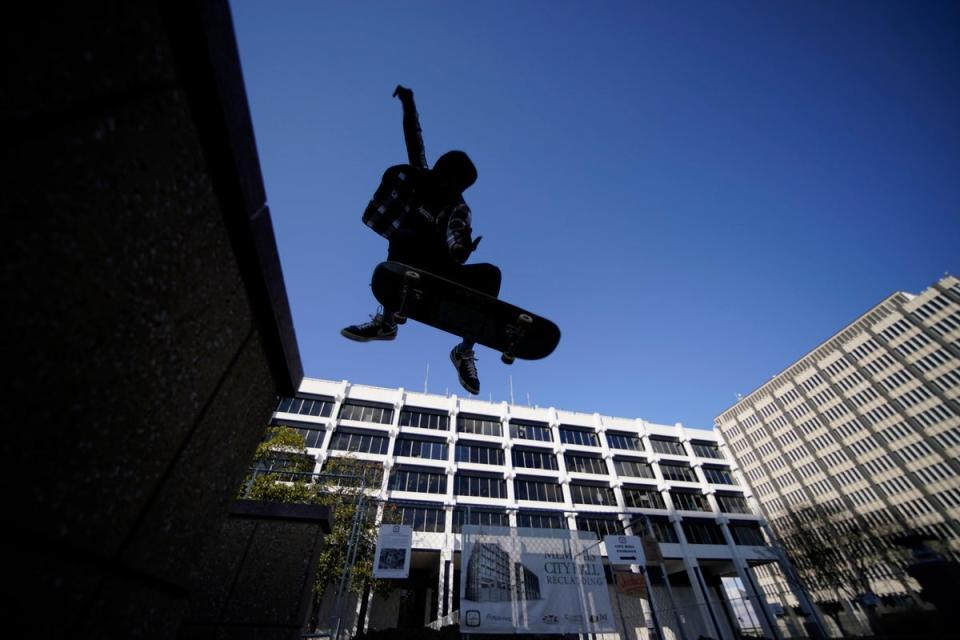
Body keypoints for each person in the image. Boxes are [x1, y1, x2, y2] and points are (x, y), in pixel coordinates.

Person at [341, 85, 501, 395]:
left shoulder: (458, 206)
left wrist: (460, 248)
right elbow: (413, 138)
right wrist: (409, 104)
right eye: (447, 182)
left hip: (441, 270)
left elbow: (457, 233)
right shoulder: (419, 176)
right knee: (405, 234)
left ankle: (464, 352)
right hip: (411, 261)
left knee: (491, 274)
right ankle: (387, 321)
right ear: (438, 172)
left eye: (457, 187)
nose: (449, 190)